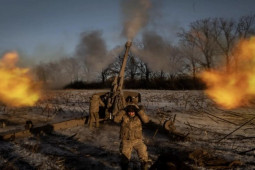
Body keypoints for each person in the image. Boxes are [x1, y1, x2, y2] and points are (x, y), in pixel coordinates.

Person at [114, 104, 150, 170]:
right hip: (126, 140)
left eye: (133, 112)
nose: (131, 113)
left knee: (143, 154)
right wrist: (123, 110)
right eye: (129, 112)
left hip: (137, 140)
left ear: (135, 112)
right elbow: (116, 120)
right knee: (125, 158)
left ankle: (144, 167)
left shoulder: (139, 117)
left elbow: (146, 120)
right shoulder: (124, 116)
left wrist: (139, 111)